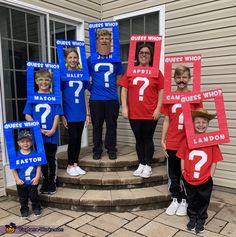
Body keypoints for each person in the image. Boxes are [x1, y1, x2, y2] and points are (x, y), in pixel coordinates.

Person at [161, 65, 202, 216]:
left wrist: (197, 140)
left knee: (186, 172)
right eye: (178, 77)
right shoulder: (169, 97)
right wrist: (162, 139)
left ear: (189, 78)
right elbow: (166, 119)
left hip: (188, 142)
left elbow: (199, 119)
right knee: (173, 173)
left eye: (184, 77)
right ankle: (175, 198)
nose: (181, 80)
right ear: (174, 79)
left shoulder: (194, 96)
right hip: (172, 141)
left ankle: (185, 199)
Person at [119, 43, 164, 178]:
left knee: (148, 138)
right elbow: (124, 89)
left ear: (151, 57)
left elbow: (161, 90)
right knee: (138, 139)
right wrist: (125, 107)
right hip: (135, 112)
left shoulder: (156, 71)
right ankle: (141, 164)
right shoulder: (131, 70)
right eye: (141, 53)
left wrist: (158, 109)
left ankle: (148, 165)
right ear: (137, 56)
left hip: (150, 111)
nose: (144, 55)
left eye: (147, 53)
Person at [176, 108, 223, 234]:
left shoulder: (212, 141)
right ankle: (192, 218)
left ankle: (201, 219)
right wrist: (183, 172)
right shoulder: (187, 140)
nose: (201, 125)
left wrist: (210, 176)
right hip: (189, 177)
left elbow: (214, 160)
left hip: (204, 178)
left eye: (204, 122)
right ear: (192, 123)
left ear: (207, 124)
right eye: (198, 122)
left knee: (203, 200)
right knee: (191, 199)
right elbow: (182, 157)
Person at [24, 69, 63, 194]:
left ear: (50, 81)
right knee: (42, 158)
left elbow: (57, 114)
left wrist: (53, 129)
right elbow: (27, 115)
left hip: (51, 133)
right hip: (38, 134)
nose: (44, 82)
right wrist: (37, 128)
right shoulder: (32, 97)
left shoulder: (54, 97)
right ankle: (45, 180)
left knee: (51, 158)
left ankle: (52, 181)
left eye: (46, 79)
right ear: (36, 81)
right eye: (41, 80)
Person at [87, 29, 124, 160]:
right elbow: (85, 77)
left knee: (111, 126)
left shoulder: (115, 58)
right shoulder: (91, 58)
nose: (104, 41)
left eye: (107, 38)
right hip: (96, 99)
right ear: (97, 41)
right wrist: (94, 88)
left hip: (112, 98)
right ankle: (97, 150)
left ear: (110, 41)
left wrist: (111, 88)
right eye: (101, 38)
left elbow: (120, 78)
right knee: (97, 126)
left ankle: (111, 149)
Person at [62, 47, 90, 176]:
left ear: (78, 59)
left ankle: (75, 164)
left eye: (75, 57)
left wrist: (87, 113)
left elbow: (84, 94)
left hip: (80, 111)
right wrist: (62, 115)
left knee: (78, 138)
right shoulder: (63, 75)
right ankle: (69, 164)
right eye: (70, 58)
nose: (73, 60)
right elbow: (60, 95)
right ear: (66, 59)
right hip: (69, 112)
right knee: (73, 138)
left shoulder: (82, 74)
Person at [12, 130, 41, 218]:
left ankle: (36, 208)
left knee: (34, 196)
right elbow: (14, 169)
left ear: (31, 142)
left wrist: (37, 177)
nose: (25, 143)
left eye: (28, 141)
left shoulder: (35, 153)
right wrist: (17, 179)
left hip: (32, 180)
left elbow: (38, 166)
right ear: (18, 143)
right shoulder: (16, 155)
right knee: (23, 198)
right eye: (22, 141)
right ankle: (24, 210)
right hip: (21, 181)